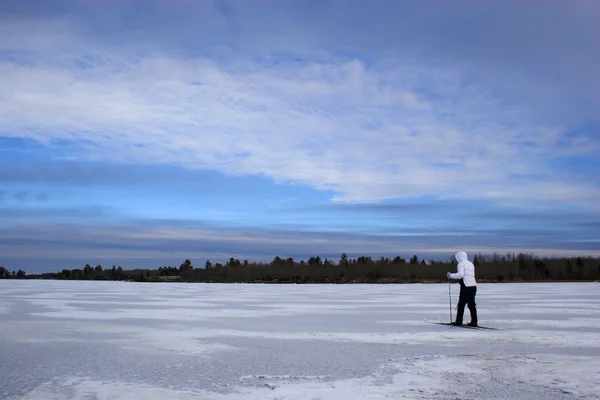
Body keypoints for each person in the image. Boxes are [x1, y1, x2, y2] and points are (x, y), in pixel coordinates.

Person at [446, 251, 478, 327]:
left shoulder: (461, 264)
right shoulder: (470, 263)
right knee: (471, 304)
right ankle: (474, 321)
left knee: (461, 304)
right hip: (473, 286)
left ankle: (459, 321)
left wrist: (450, 275)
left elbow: (460, 275)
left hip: (466, 287)